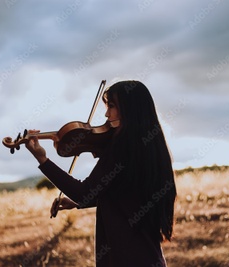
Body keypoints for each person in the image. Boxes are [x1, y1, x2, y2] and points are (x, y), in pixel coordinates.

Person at [26, 80, 176, 267]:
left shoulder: (121, 149)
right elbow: (126, 196)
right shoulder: (150, 149)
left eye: (111, 106)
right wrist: (80, 203)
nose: (106, 114)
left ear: (130, 109)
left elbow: (83, 191)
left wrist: (43, 159)